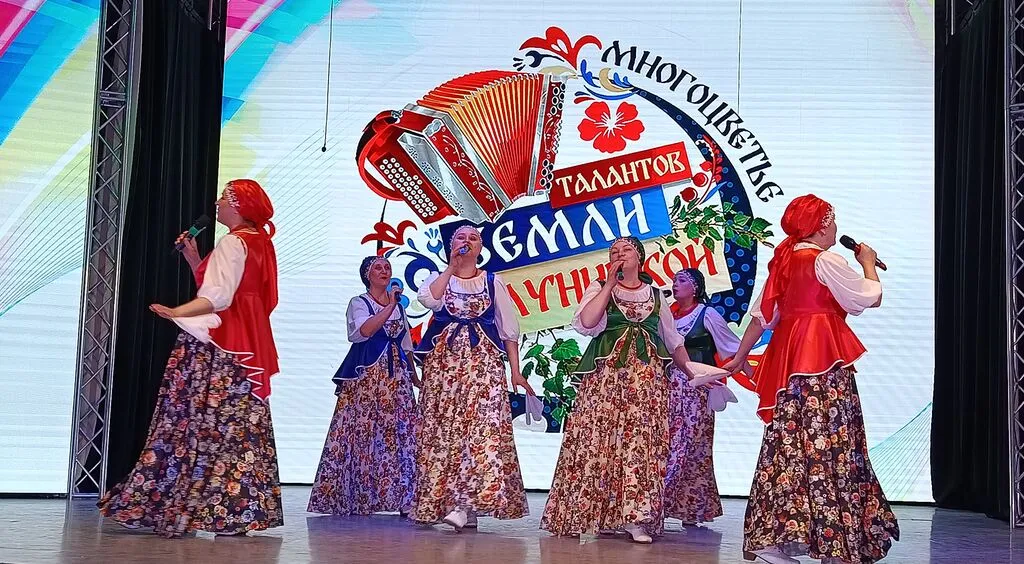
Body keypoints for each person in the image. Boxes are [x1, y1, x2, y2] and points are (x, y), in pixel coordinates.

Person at [98, 179, 283, 538]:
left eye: (225, 198)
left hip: (218, 341)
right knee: (236, 425)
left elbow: (218, 298)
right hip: (246, 343)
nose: (217, 203)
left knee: (192, 419)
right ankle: (234, 511)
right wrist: (195, 259)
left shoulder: (233, 242)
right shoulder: (259, 241)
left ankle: (171, 502)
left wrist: (176, 311)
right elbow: (244, 292)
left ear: (239, 206)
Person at [723, 195, 900, 564]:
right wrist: (868, 264)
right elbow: (869, 297)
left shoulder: (786, 261)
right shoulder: (824, 260)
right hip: (822, 360)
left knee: (789, 446)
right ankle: (834, 544)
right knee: (832, 442)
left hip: (791, 365)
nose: (835, 228)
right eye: (831, 221)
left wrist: (740, 356)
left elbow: (762, 317)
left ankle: (771, 540)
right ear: (820, 226)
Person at [540, 236, 691, 544]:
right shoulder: (599, 287)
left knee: (639, 443)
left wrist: (693, 372)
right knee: (599, 441)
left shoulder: (656, 295)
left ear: (640, 257)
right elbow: (586, 322)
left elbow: (673, 341)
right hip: (606, 380)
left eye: (626, 249)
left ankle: (635, 517)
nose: (619, 254)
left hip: (644, 382)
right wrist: (608, 284)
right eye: (613, 251)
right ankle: (592, 513)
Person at [411, 225, 533, 530]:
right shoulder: (438, 278)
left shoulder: (493, 281)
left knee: (482, 430)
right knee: (446, 432)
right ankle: (459, 504)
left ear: (480, 247)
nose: (467, 241)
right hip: (446, 368)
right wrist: (451, 267)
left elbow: (509, 329)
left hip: (482, 365)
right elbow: (429, 300)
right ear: (452, 245)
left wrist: (515, 371)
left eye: (473, 238)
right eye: (460, 237)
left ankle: (464, 503)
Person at [307, 256, 420, 516]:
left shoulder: (397, 306)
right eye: (378, 267)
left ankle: (404, 497)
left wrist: (414, 376)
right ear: (367, 275)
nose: (384, 271)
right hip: (368, 377)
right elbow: (364, 331)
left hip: (395, 377)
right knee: (363, 430)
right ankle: (360, 496)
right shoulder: (359, 303)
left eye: (387, 267)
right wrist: (390, 306)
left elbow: (405, 343)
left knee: (399, 432)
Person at [664, 268, 746, 528]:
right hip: (669, 387)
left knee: (692, 447)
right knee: (669, 443)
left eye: (682, 280)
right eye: (674, 280)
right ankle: (664, 506)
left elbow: (731, 346)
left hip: (698, 389)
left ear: (696, 287)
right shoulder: (667, 314)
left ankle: (688, 508)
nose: (675, 284)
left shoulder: (707, 314)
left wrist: (745, 368)